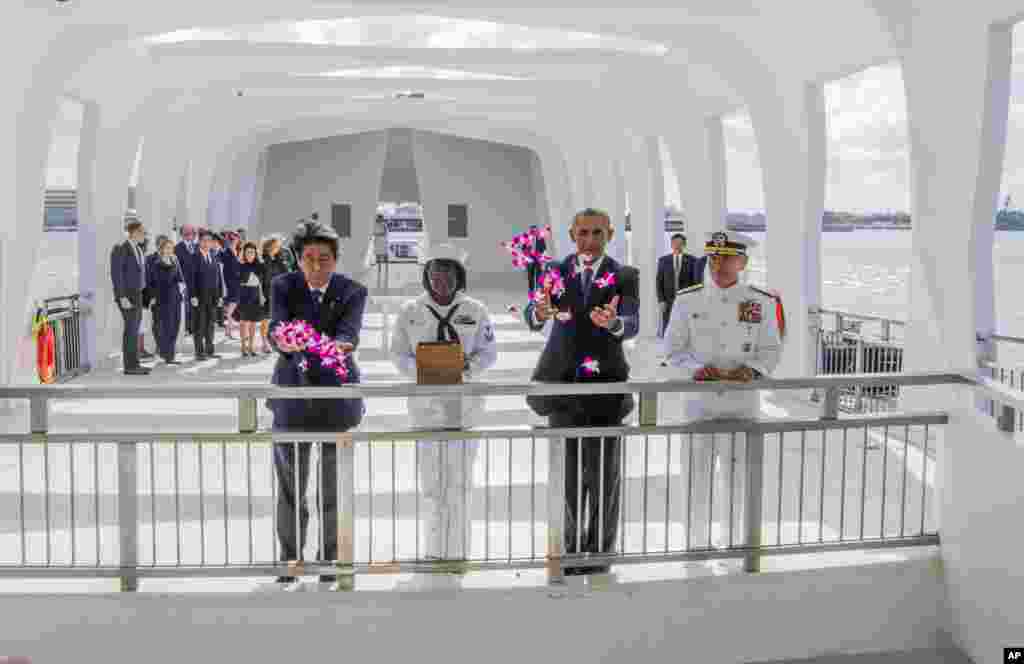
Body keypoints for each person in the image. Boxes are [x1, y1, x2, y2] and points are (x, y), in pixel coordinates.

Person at [523, 208, 639, 576]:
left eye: (597, 234)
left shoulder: (624, 275)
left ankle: (600, 555)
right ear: (572, 234)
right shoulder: (555, 271)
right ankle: (571, 553)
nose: (589, 240)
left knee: (605, 478)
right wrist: (539, 313)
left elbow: (633, 321)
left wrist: (616, 322)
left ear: (609, 235)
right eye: (582, 233)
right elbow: (534, 312)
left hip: (606, 390)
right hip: (562, 388)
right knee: (569, 478)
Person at [663, 231, 782, 553]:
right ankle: (695, 542)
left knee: (738, 477)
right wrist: (695, 369)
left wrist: (754, 370)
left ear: (742, 262)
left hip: (741, 405)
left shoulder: (761, 300)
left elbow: (771, 349)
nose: (717, 263)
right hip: (699, 404)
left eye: (725, 257)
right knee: (694, 476)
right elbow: (672, 350)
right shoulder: (688, 299)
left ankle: (732, 541)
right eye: (712, 256)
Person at [389, 244, 498, 587]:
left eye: (448, 273)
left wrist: (466, 370)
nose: (441, 280)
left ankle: (458, 552)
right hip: (426, 407)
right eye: (435, 273)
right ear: (426, 275)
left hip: (464, 407)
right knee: (432, 483)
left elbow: (489, 352)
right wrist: (425, 372)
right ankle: (435, 551)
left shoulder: (475, 310)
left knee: (461, 483)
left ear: (458, 276)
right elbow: (397, 354)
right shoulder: (409, 311)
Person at [267, 220, 367, 590]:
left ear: (335, 260)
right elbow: (278, 327)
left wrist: (312, 344)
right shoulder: (283, 285)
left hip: (335, 400)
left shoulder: (353, 291)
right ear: (298, 259)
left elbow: (348, 335)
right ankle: (290, 558)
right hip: (291, 400)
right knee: (291, 487)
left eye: (323, 258)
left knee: (331, 487)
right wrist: (284, 339)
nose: (315, 266)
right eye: (308, 258)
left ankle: (329, 557)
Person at [110, 221, 151, 375]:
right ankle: (130, 366)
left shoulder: (138, 249)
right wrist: (121, 297)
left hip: (138, 295)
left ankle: (135, 363)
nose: (144, 235)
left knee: (135, 330)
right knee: (130, 330)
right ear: (134, 232)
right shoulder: (121, 248)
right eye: (143, 232)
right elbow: (117, 274)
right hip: (127, 296)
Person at [656, 233, 703, 340]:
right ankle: (667, 345)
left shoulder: (693, 260)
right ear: (671, 245)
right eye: (675, 243)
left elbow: (696, 282)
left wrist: (695, 299)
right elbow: (659, 281)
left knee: (686, 323)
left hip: (686, 298)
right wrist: (661, 300)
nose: (677, 245)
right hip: (668, 299)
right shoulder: (663, 260)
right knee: (667, 322)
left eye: (680, 243)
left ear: (684, 245)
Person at [147, 237, 186, 365]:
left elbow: (180, 277)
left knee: (175, 325)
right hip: (162, 298)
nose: (170, 250)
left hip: (175, 297)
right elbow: (153, 281)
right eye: (167, 248)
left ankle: (169, 353)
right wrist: (152, 297)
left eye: (171, 248)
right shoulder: (156, 263)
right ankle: (168, 355)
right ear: (162, 249)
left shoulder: (175, 259)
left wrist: (182, 287)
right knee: (165, 326)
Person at [186, 230, 224, 360]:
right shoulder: (193, 257)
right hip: (199, 297)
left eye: (209, 241)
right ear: (199, 242)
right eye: (204, 241)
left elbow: (218, 278)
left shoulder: (213, 256)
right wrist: (192, 296)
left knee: (210, 324)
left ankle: (210, 350)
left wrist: (219, 296)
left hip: (212, 297)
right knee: (199, 325)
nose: (207, 243)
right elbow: (190, 278)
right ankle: (199, 352)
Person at [237, 241, 267, 357]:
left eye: (252, 252)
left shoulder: (259, 265)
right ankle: (243, 346)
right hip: (244, 294)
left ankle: (251, 346)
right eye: (248, 252)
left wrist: (262, 295)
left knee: (254, 322)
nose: (250, 254)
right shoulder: (240, 265)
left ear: (255, 253)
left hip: (255, 294)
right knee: (244, 322)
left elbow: (262, 281)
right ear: (244, 253)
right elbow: (238, 280)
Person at [261, 235, 289, 353]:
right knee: (266, 320)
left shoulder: (279, 259)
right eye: (277, 245)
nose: (279, 247)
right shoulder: (263, 259)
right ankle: (264, 342)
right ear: (270, 246)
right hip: (266, 292)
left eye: (279, 245)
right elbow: (261, 278)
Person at [175, 225, 199, 336]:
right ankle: (186, 328)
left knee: (196, 306)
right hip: (183, 283)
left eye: (191, 232)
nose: (189, 234)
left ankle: (194, 328)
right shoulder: (177, 248)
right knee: (185, 307)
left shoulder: (198, 246)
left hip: (197, 283)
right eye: (186, 232)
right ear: (182, 234)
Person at [220, 231, 242, 340]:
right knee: (232, 305)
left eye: (236, 239)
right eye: (232, 239)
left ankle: (228, 329)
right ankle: (229, 329)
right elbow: (224, 268)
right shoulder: (225, 252)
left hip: (237, 281)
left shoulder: (237, 250)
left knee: (232, 305)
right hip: (230, 282)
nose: (235, 241)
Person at [525, 223, 548, 294]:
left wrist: (542, 258)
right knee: (530, 275)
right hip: (530, 259)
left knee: (538, 274)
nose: (534, 232)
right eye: (532, 230)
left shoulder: (540, 238)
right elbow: (523, 248)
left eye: (535, 230)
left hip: (538, 259)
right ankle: (531, 290)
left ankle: (538, 290)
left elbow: (544, 248)